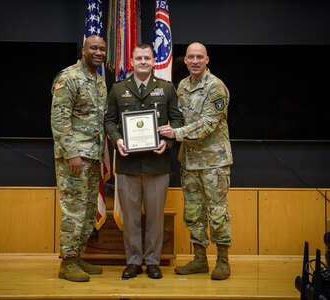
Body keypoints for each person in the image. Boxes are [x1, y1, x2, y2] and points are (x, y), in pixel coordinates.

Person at [105, 43, 184, 279]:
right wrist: (117, 139)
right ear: (131, 60)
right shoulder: (118, 89)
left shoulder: (166, 88)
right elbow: (109, 120)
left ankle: (152, 261)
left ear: (153, 61)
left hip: (157, 164)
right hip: (128, 165)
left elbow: (178, 121)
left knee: (155, 217)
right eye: (138, 58)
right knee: (130, 219)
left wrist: (168, 142)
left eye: (147, 58)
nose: (142, 62)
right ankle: (133, 262)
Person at [158, 42, 233, 280]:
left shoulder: (215, 87)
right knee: (193, 212)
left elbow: (209, 124)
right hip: (189, 161)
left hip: (214, 162)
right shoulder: (181, 86)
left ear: (207, 60)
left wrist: (176, 134)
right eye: (191, 57)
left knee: (217, 212)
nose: (195, 61)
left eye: (200, 57)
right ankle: (200, 259)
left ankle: (222, 260)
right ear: (186, 60)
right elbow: (179, 118)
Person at [50, 35, 107, 282]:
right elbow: (60, 119)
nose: (98, 52)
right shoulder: (69, 77)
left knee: (87, 210)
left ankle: (78, 256)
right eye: (93, 47)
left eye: (102, 49)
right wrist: (71, 153)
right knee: (73, 210)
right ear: (84, 50)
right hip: (75, 157)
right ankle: (68, 263)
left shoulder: (99, 82)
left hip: (93, 156)